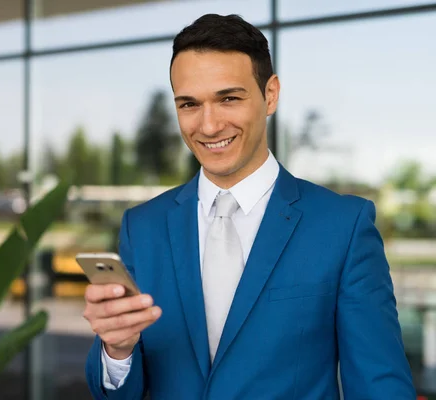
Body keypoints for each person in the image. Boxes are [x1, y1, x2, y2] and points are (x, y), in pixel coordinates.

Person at [83, 13, 416, 399]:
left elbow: (381, 386)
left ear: (270, 94)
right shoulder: (142, 227)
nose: (208, 126)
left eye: (228, 98)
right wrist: (116, 350)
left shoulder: (343, 227)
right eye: (189, 104)